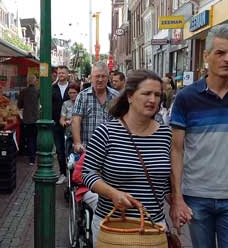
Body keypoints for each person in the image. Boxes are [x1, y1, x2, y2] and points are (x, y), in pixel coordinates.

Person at [170, 23, 228, 248]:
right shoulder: (187, 98)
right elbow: (177, 150)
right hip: (197, 194)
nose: (227, 59)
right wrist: (178, 197)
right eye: (220, 53)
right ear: (206, 56)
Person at [82, 70, 171, 245]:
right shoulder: (106, 132)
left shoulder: (165, 134)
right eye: (146, 93)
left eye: (157, 95)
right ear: (130, 96)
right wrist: (112, 193)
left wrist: (177, 203)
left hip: (153, 227)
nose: (152, 100)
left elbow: (165, 180)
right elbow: (88, 173)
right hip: (113, 227)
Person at [71, 62, 119, 153]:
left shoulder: (116, 97)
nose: (100, 79)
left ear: (108, 78)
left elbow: (123, 121)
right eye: (97, 76)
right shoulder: (82, 96)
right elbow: (76, 120)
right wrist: (77, 143)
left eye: (103, 76)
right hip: (88, 150)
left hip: (112, 150)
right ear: (91, 78)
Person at [52, 65, 71, 184]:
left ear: (67, 74)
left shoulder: (72, 87)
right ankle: (63, 173)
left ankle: (73, 175)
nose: (61, 75)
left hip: (70, 123)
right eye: (59, 73)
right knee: (59, 149)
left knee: (70, 149)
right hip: (56, 123)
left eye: (63, 73)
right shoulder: (53, 87)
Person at [18, 75, 40, 165]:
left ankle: (31, 159)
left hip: (27, 118)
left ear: (27, 82)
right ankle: (34, 156)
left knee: (29, 138)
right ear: (35, 82)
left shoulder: (23, 91)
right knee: (34, 138)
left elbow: (19, 105)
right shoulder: (38, 91)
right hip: (36, 118)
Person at [60, 83, 81, 148]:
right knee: (69, 155)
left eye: (74, 93)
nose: (72, 95)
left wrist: (73, 120)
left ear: (78, 93)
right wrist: (65, 124)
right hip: (69, 134)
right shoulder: (66, 104)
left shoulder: (82, 103)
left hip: (80, 134)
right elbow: (61, 119)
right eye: (70, 93)